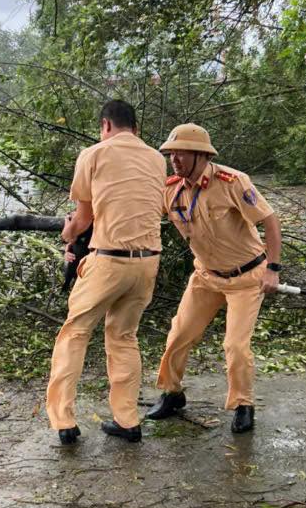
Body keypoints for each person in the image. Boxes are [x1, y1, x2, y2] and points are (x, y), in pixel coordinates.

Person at [147, 124, 281, 434]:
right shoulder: (171, 189)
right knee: (178, 335)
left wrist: (273, 269)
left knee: (235, 346)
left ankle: (243, 404)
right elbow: (144, 217)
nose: (174, 159)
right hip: (205, 277)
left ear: (201, 155)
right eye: (171, 153)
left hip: (246, 277)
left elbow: (270, 221)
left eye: (181, 153)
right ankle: (172, 393)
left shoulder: (232, 182)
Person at [46, 99, 166, 445]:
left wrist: (69, 234)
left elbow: (83, 219)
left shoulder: (94, 154)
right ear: (136, 129)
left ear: (105, 126)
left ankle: (64, 421)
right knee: (124, 337)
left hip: (109, 260)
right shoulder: (157, 159)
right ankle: (128, 421)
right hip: (147, 262)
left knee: (76, 333)